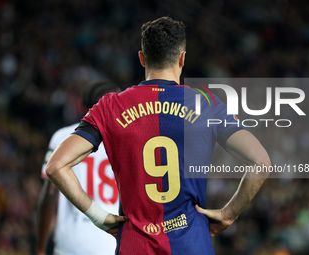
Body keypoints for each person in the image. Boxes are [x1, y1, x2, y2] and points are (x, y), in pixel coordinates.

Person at [45, 17, 271, 254]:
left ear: (142, 57)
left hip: (135, 245)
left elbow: (56, 167)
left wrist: (98, 216)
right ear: (182, 58)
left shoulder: (110, 107)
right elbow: (261, 161)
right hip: (192, 244)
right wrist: (228, 214)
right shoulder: (206, 103)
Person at [36, 81, 121, 255]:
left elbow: (48, 195)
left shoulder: (61, 137)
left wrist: (40, 248)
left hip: (72, 241)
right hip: (112, 239)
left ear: (82, 106)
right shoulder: (128, 140)